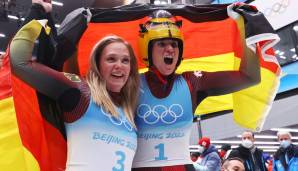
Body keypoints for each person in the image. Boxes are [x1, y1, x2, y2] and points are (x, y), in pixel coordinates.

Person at [131, 3, 277, 170]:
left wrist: (243, 28)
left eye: (174, 44)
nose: (170, 49)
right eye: (162, 43)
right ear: (147, 49)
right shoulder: (130, 84)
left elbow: (249, 77)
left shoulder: (193, 80)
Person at [9, 16, 140, 171]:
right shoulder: (81, 93)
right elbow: (19, 62)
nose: (119, 66)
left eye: (125, 61)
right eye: (111, 59)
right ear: (97, 65)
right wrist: (38, 19)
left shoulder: (128, 111)